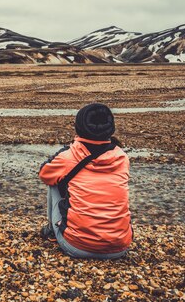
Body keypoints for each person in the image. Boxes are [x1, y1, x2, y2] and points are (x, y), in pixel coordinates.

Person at [38, 103, 132, 259]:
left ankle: (52, 231)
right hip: (119, 247)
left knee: (53, 183)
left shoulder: (69, 156)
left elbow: (44, 174)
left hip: (78, 246)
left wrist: (66, 150)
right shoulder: (121, 157)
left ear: (79, 127)